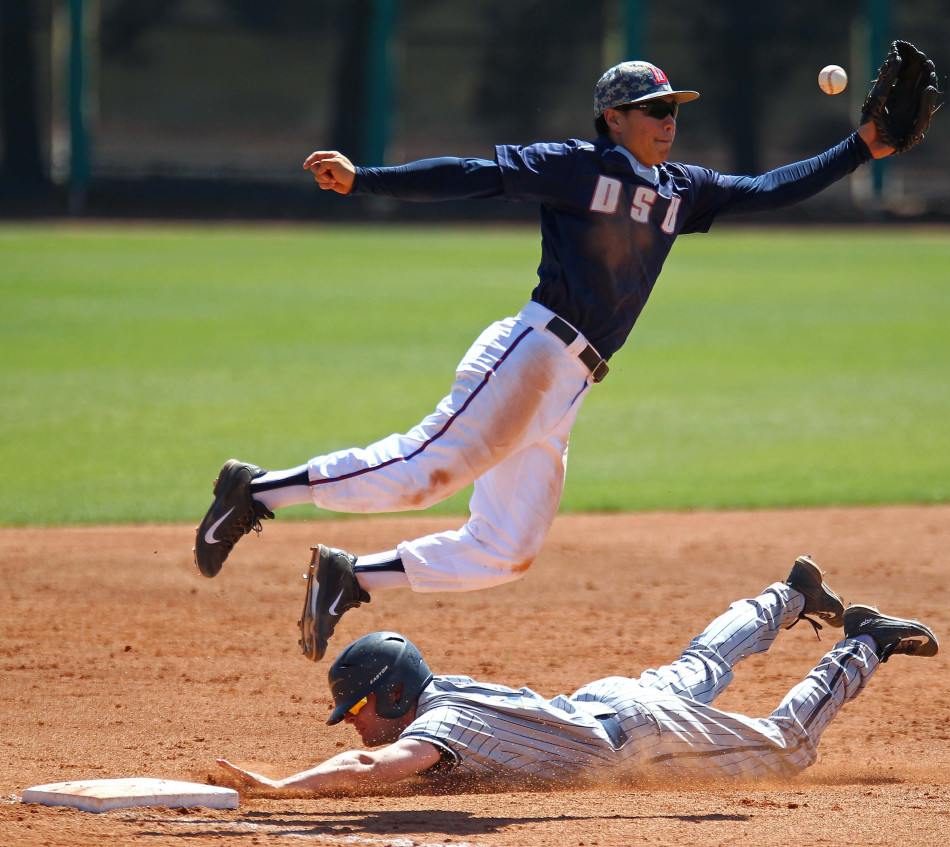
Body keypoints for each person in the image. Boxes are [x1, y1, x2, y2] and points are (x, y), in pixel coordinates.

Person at [194, 60, 902, 662]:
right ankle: (256, 492)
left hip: (569, 385)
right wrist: (365, 179)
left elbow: (773, 188)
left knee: (507, 547)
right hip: (531, 354)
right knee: (419, 474)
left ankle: (352, 578)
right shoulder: (575, 167)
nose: (668, 119)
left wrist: (864, 145)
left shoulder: (682, 189)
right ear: (614, 118)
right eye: (653, 109)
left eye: (673, 109)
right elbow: (472, 175)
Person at [215, 556, 939, 795]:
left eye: (360, 707)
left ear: (395, 693)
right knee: (703, 664)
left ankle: (862, 643)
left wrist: (285, 787)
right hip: (610, 704)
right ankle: (787, 594)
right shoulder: (444, 691)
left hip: (636, 734)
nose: (358, 720)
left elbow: (378, 760)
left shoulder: (437, 724)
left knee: (785, 751)